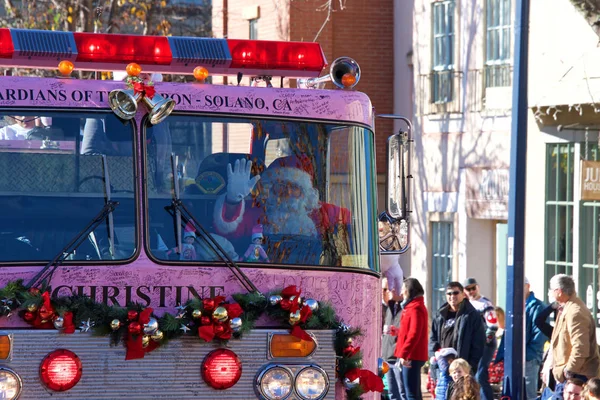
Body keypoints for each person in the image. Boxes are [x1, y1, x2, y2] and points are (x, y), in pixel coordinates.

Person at [212, 156, 350, 263]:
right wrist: (233, 200)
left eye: (294, 187)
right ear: (271, 188)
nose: (288, 192)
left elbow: (353, 228)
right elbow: (229, 233)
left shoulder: (323, 212)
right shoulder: (258, 211)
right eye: (281, 185)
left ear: (305, 192)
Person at [430, 281, 486, 400]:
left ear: (463, 294)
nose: (452, 296)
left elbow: (479, 344)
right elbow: (432, 339)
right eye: (449, 293)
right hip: (443, 367)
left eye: (455, 293)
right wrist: (434, 356)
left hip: (462, 370)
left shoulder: (471, 315)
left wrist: (469, 367)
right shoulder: (440, 315)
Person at [548, 274, 600, 397]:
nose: (550, 293)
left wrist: (569, 370)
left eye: (551, 290)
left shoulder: (575, 312)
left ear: (559, 292)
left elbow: (580, 348)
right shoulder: (568, 307)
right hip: (573, 374)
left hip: (577, 376)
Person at [463, 278, 497, 400]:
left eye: (473, 288)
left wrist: (483, 341)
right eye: (468, 289)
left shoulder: (485, 304)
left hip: (485, 344)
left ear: (478, 287)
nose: (471, 291)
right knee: (470, 375)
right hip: (472, 345)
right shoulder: (465, 304)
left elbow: (493, 326)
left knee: (480, 375)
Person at [394, 278, 428, 400]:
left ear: (409, 291)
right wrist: (397, 331)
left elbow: (414, 334)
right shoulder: (413, 306)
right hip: (411, 355)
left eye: (403, 289)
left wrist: (404, 354)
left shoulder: (415, 308)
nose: (402, 293)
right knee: (413, 392)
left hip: (411, 356)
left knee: (411, 393)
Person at [524, 277, 550, 400]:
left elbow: (540, 335)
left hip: (529, 357)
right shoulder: (514, 304)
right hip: (515, 359)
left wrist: (528, 354)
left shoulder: (538, 306)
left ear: (528, 286)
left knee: (530, 394)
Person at [381, 277, 405, 400]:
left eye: (393, 287)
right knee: (392, 394)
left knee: (402, 393)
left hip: (398, 359)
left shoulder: (406, 310)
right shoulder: (391, 307)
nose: (390, 290)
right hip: (387, 357)